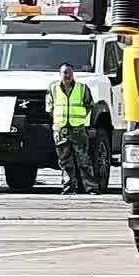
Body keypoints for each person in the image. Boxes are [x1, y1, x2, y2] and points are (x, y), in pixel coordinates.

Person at [50, 63, 99, 195]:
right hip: (61, 130)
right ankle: (69, 187)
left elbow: (89, 105)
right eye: (64, 73)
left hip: (78, 130)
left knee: (84, 160)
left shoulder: (82, 88)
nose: (67, 76)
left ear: (73, 75)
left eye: (69, 73)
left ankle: (91, 188)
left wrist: (79, 119)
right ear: (60, 74)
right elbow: (50, 108)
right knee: (65, 161)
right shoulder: (53, 88)